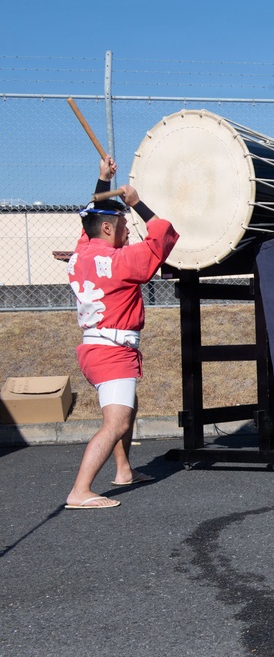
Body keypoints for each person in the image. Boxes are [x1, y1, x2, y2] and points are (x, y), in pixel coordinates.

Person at [64, 155, 179, 510]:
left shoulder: (81, 253)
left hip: (97, 348)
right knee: (116, 422)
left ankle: (124, 469)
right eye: (124, 225)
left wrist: (102, 181)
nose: (129, 231)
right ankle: (79, 491)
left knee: (128, 406)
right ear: (110, 229)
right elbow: (163, 236)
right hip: (112, 351)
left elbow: (90, 220)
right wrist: (137, 203)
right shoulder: (120, 262)